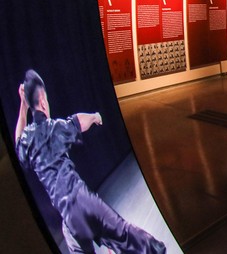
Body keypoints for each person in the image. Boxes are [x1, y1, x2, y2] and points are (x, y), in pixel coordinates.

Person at [14, 69, 166, 254]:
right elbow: (78, 121)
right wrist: (95, 116)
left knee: (73, 236)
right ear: (44, 102)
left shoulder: (28, 140)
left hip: (68, 217)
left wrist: (23, 106)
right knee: (125, 234)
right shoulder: (55, 127)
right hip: (83, 200)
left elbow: (18, 143)